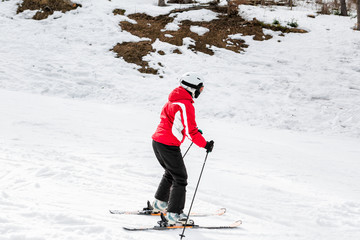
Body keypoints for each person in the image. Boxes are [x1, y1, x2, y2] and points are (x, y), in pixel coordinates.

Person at [151, 72, 214, 225]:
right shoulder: (185, 104)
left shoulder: (173, 101)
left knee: (171, 173)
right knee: (180, 178)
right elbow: (191, 131)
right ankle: (174, 214)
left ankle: (160, 204)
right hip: (168, 145)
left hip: (158, 142)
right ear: (191, 87)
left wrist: (192, 131)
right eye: (200, 88)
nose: (200, 91)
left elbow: (175, 123)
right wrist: (205, 144)